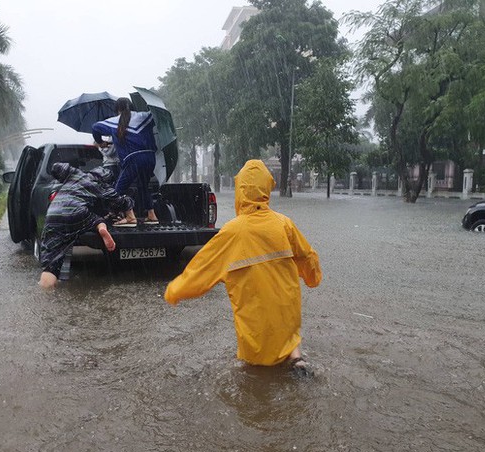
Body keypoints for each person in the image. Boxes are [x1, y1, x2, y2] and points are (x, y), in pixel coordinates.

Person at [164, 159, 322, 376]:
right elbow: (308, 256)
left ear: (240, 191)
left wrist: (174, 291)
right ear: (267, 188)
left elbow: (201, 269)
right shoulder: (284, 224)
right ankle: (298, 361)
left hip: (255, 317)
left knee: (255, 370)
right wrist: (313, 278)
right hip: (287, 308)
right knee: (289, 334)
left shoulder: (232, 232)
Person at [38, 163, 134, 288]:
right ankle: (102, 230)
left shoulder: (75, 174)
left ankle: (46, 287)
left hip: (54, 213)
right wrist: (129, 201)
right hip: (76, 212)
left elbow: (57, 167)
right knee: (96, 219)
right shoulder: (101, 186)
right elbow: (120, 202)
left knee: (51, 259)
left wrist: (60, 175)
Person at [92, 97, 159, 226]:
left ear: (117, 109)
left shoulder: (114, 121)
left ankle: (130, 217)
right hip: (150, 157)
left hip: (133, 159)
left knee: (118, 190)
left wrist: (100, 142)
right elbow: (156, 117)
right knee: (143, 186)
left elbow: (95, 127)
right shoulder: (144, 116)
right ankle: (152, 215)